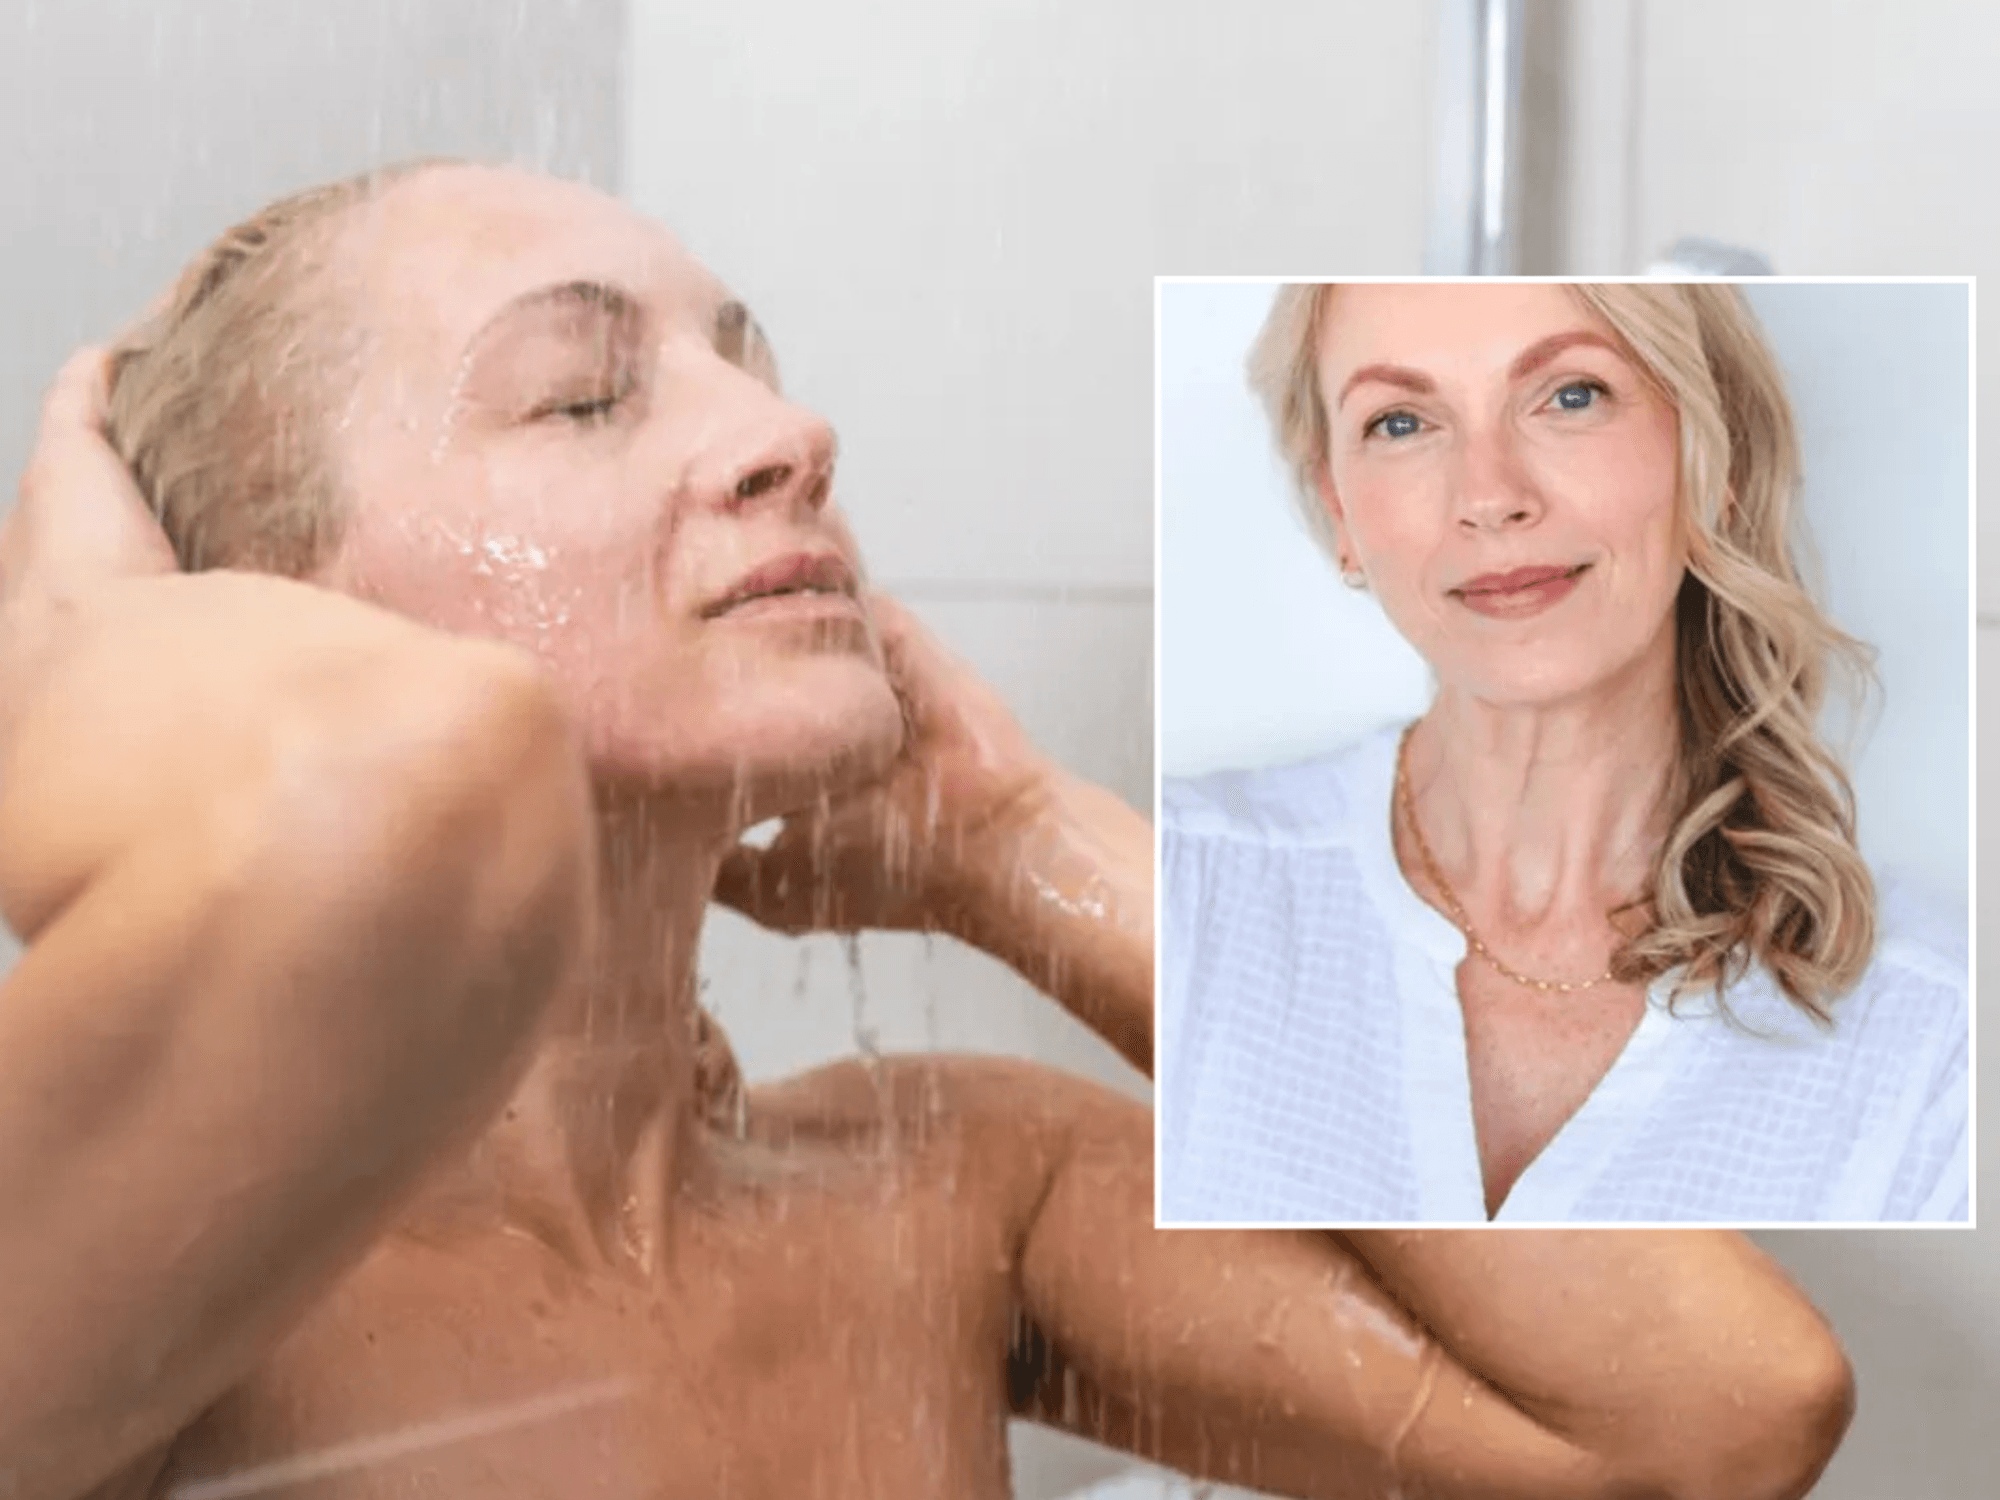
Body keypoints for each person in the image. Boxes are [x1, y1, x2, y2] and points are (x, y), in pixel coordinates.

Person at [0, 165, 1854, 1500]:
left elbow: (1715, 1416)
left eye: (747, 360)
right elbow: (397, 790)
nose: (788, 428)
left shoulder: (951, 1196)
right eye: (583, 393)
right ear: (264, 617)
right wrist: (84, 664)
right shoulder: (157, 1279)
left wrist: (1017, 844)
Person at [1160, 281, 1968, 1225]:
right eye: (1402, 422)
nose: (1491, 497)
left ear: (1715, 455)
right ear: (1339, 506)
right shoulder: (1173, 897)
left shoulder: (1937, 1041)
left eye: (1571, 396)